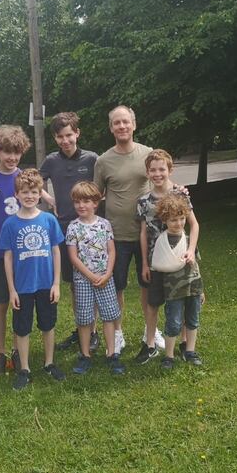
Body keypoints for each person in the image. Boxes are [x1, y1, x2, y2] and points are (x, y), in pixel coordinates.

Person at [93, 105, 164, 354]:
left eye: (126, 121)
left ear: (134, 125)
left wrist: (179, 191)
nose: (122, 126)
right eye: (117, 123)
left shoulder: (148, 154)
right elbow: (95, 195)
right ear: (111, 128)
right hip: (116, 236)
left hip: (149, 235)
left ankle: (151, 331)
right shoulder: (103, 161)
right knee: (117, 287)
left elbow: (162, 180)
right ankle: (118, 332)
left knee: (148, 285)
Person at [0, 169, 67, 390]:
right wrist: (12, 290)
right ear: (16, 194)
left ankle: (49, 362)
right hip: (22, 287)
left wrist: (56, 283)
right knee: (22, 328)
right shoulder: (10, 224)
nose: (29, 196)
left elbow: (56, 251)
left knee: (48, 324)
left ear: (40, 194)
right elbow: (8, 258)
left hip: (46, 284)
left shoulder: (48, 220)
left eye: (34, 192)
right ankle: (24, 369)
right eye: (25, 192)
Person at [38, 112, 100, 352]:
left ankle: (93, 331)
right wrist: (48, 199)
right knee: (75, 283)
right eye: (60, 137)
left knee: (92, 279)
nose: (65, 140)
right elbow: (34, 182)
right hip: (64, 228)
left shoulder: (92, 159)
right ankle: (81, 327)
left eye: (69, 135)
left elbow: (104, 185)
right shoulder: (51, 161)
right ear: (55, 138)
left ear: (77, 133)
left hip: (89, 230)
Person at [135, 149, 200, 364]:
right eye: (153, 170)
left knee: (184, 299)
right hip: (156, 262)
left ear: (170, 170)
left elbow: (194, 225)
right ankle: (150, 344)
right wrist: (145, 263)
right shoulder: (143, 201)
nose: (157, 174)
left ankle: (185, 344)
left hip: (181, 259)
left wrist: (191, 250)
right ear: (147, 172)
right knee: (153, 302)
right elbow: (143, 233)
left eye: (162, 169)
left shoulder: (180, 194)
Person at [0, 125, 30, 376]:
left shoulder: (24, 178)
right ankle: (0, 353)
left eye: (16, 152)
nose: (12, 157)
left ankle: (17, 350)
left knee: (20, 304)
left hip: (23, 254)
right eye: (7, 152)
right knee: (0, 304)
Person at [65, 181, 126, 375]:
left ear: (95, 203)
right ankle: (85, 355)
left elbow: (111, 250)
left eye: (85, 201)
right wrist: (90, 276)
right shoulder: (73, 227)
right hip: (83, 280)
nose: (81, 205)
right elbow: (73, 257)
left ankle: (112, 354)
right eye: (77, 202)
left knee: (109, 316)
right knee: (84, 318)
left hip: (105, 279)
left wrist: (107, 274)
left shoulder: (104, 224)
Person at [153, 193, 204, 369]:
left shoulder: (188, 240)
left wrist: (201, 290)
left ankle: (190, 351)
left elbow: (195, 266)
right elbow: (158, 267)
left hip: (192, 287)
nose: (179, 223)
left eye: (182, 219)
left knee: (193, 320)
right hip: (173, 291)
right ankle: (169, 356)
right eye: (174, 220)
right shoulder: (162, 242)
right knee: (173, 323)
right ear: (165, 220)